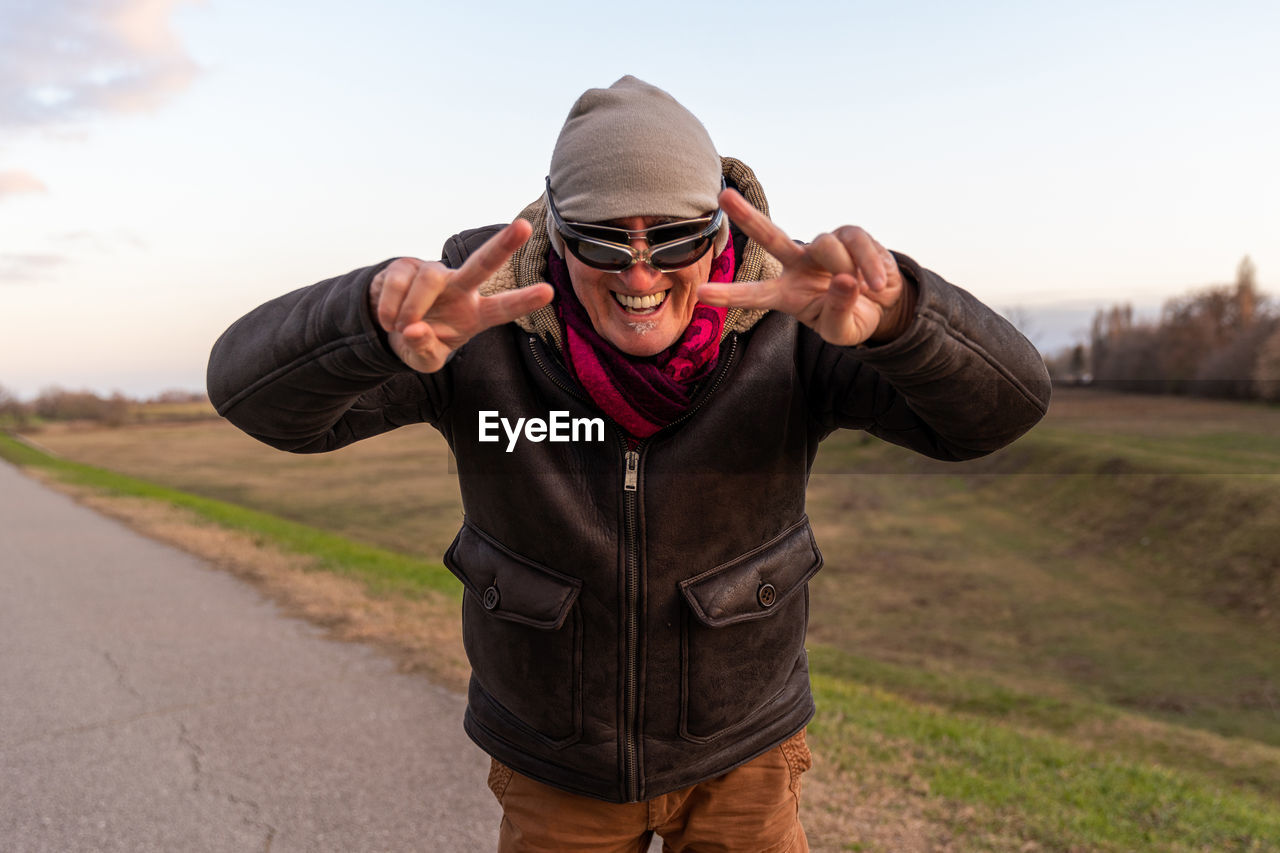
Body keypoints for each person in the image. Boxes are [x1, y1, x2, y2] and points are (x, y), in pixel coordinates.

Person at [207, 76, 1051, 852]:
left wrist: (903, 317)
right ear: (555, 234)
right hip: (555, 765)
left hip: (745, 753)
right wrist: (364, 321)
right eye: (604, 241)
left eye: (675, 238)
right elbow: (257, 401)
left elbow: (999, 412)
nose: (640, 272)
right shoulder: (472, 331)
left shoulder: (798, 329)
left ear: (717, 230)